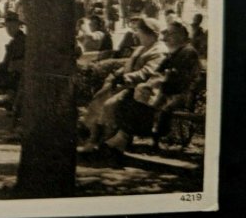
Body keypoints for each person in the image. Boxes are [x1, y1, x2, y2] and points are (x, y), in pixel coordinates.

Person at [102, 21, 202, 156]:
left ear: (182, 35)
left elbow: (180, 80)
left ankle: (123, 138)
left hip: (181, 94)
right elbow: (159, 73)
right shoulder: (176, 51)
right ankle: (122, 138)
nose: (166, 37)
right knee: (131, 98)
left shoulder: (188, 52)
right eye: (166, 33)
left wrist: (156, 86)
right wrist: (150, 85)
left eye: (170, 34)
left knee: (140, 101)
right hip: (168, 91)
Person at [78, 17, 166, 153]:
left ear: (151, 34)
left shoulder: (159, 51)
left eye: (140, 31)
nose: (136, 34)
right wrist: (116, 74)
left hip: (141, 90)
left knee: (109, 105)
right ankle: (92, 137)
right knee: (98, 99)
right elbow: (128, 65)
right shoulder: (142, 48)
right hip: (126, 85)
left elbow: (146, 73)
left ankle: (104, 142)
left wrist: (124, 78)